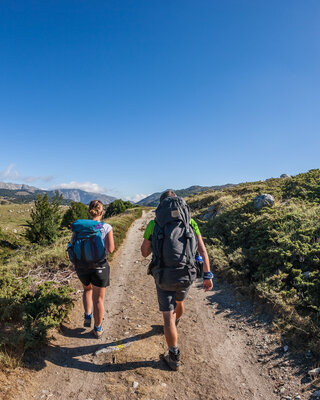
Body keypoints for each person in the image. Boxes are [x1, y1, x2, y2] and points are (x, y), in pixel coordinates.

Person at [141, 190, 213, 370]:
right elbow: (202, 251)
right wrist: (207, 275)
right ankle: (176, 321)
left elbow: (144, 253)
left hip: (164, 275)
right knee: (179, 301)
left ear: (161, 205)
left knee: (167, 317)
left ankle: (174, 356)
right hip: (187, 274)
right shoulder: (191, 222)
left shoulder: (153, 223)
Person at [71, 200, 114, 338]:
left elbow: (72, 244)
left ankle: (87, 315)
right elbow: (111, 249)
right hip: (99, 267)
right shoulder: (106, 227)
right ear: (101, 212)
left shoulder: (79, 227)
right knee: (99, 300)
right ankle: (97, 328)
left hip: (82, 266)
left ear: (90, 211)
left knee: (87, 290)